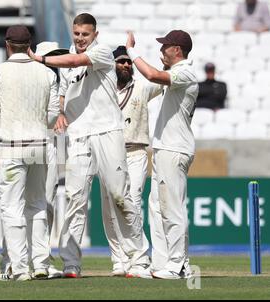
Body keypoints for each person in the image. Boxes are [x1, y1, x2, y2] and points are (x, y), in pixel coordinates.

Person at [29, 13, 151, 279]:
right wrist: (61, 113)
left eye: (85, 34)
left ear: (95, 34)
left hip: (108, 131)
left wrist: (40, 58)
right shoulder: (68, 62)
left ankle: (139, 259)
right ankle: (71, 263)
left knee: (120, 196)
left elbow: (76, 60)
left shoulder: (103, 52)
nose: (80, 39)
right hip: (79, 135)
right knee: (74, 198)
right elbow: (63, 94)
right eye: (77, 34)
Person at [0, 41, 68, 281]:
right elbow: (53, 115)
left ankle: (21, 267)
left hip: (13, 146)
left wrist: (0, 141)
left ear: (7, 45)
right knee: (37, 204)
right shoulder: (45, 73)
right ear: (30, 48)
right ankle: (39, 263)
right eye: (51, 56)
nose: (55, 60)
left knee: (13, 208)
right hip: (40, 144)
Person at [126, 29, 199, 279]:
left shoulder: (185, 72)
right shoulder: (178, 72)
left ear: (177, 50)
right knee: (157, 208)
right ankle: (163, 261)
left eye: (164, 47)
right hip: (164, 148)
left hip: (174, 148)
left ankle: (178, 264)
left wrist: (131, 52)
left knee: (172, 209)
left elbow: (152, 74)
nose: (161, 51)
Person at [100, 45, 163, 277]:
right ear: (112, 64)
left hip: (135, 152)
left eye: (128, 62)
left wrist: (137, 56)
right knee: (109, 208)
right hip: (108, 153)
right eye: (121, 61)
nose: (126, 65)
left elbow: (161, 78)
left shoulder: (142, 87)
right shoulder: (102, 89)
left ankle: (139, 258)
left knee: (132, 203)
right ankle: (118, 258)